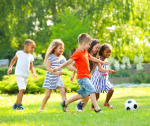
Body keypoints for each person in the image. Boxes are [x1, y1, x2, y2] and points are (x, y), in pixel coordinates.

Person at [53, 33, 108, 113]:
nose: (89, 46)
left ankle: (65, 103)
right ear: (84, 43)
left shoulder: (85, 52)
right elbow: (69, 61)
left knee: (84, 95)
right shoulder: (78, 52)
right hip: (82, 77)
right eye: (89, 44)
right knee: (92, 90)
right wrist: (58, 67)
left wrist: (101, 62)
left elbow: (92, 58)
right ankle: (97, 108)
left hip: (86, 77)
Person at [39, 39, 76, 112]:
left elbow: (68, 65)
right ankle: (41, 108)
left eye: (62, 48)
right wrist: (56, 72)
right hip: (50, 78)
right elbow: (48, 68)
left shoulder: (62, 58)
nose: (62, 50)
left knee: (63, 93)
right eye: (60, 48)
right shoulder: (51, 57)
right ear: (54, 48)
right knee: (48, 95)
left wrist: (76, 70)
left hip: (58, 79)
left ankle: (65, 109)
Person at [71, 39, 107, 112]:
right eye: (96, 48)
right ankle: (96, 108)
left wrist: (108, 70)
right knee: (90, 92)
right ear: (91, 46)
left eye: (98, 48)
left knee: (87, 95)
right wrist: (73, 74)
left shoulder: (96, 57)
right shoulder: (84, 54)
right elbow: (75, 65)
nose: (97, 50)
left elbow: (100, 68)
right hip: (82, 76)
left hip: (88, 76)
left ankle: (79, 108)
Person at [7, 39, 37, 110]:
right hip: (19, 74)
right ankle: (19, 105)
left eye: (34, 48)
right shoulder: (19, 53)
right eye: (31, 47)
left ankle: (15, 105)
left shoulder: (31, 56)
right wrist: (10, 67)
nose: (33, 49)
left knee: (22, 90)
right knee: (22, 89)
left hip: (25, 75)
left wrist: (33, 73)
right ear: (26, 46)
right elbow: (14, 59)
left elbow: (31, 66)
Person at [91, 43, 116, 109]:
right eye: (107, 52)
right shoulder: (100, 59)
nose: (109, 54)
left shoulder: (105, 59)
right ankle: (92, 107)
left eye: (110, 52)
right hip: (97, 79)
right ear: (102, 52)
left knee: (111, 90)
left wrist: (108, 71)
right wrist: (110, 71)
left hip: (104, 80)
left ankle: (106, 102)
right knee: (96, 96)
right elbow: (100, 69)